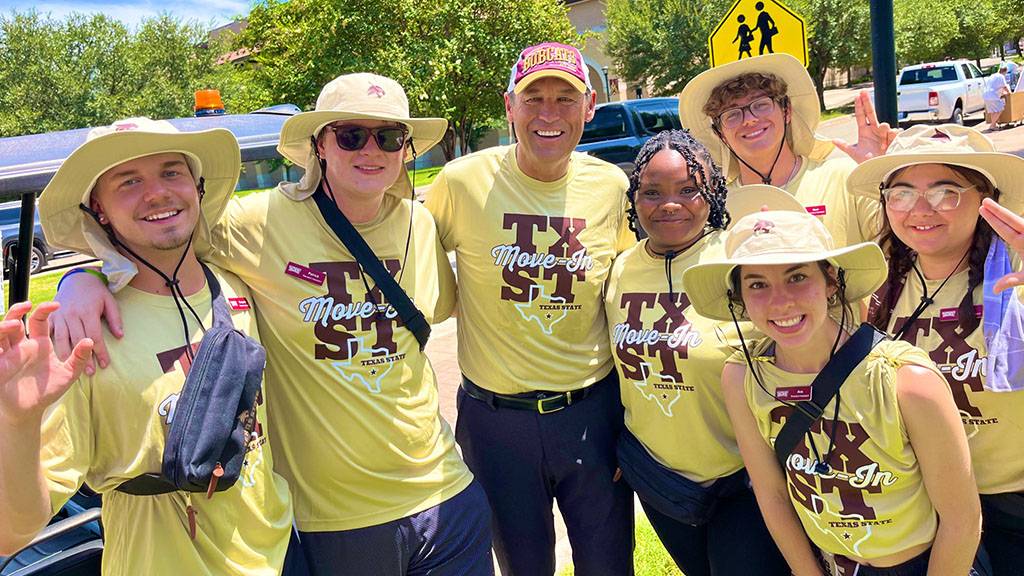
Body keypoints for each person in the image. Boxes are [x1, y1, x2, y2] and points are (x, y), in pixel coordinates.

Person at [50, 75, 493, 576]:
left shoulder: (420, 223)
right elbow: (158, 236)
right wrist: (81, 279)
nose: (371, 150)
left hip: (447, 492)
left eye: (389, 137)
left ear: (406, 150)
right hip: (337, 520)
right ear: (320, 145)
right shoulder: (253, 223)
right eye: (351, 135)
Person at [0, 118, 294, 574]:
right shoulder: (79, 335)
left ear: (197, 186)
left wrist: (80, 276)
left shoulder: (237, 287)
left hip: (278, 552)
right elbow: (11, 533)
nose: (157, 193)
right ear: (98, 209)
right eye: (129, 181)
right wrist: (16, 421)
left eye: (171, 172)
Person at [681, 208, 989, 575]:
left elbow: (962, 521)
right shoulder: (742, 377)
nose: (780, 301)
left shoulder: (907, 382)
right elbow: (772, 493)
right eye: (757, 284)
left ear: (831, 282)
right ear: (739, 298)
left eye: (797, 277)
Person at [424, 42, 632, 576]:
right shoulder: (461, 182)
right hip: (496, 423)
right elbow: (401, 247)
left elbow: (636, 291)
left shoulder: (610, 187)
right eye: (533, 97)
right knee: (522, 566)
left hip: (592, 414)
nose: (548, 113)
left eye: (566, 98)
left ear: (589, 107)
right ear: (508, 106)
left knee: (609, 565)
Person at [606, 129, 805, 575]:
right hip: (663, 483)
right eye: (652, 192)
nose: (668, 204)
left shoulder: (740, 258)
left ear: (714, 190)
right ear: (634, 200)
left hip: (744, 480)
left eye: (688, 189)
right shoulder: (622, 270)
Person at [847, 123, 1024, 575]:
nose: (920, 209)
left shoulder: (1014, 278)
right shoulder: (878, 285)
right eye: (901, 193)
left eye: (946, 192)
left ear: (985, 199)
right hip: (925, 507)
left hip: (1011, 503)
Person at [678, 53, 891, 248]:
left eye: (761, 104)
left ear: (786, 110)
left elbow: (897, 246)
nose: (750, 119)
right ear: (720, 133)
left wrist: (881, 175)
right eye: (732, 114)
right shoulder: (715, 206)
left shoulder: (845, 179)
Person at [984, 64, 1010, 131]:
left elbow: (995, 86)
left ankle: (994, 125)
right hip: (993, 95)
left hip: (986, 95)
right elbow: (1004, 86)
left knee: (993, 111)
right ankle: (992, 125)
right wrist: (1009, 93)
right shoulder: (1001, 76)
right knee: (1000, 109)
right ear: (1005, 71)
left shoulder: (993, 75)